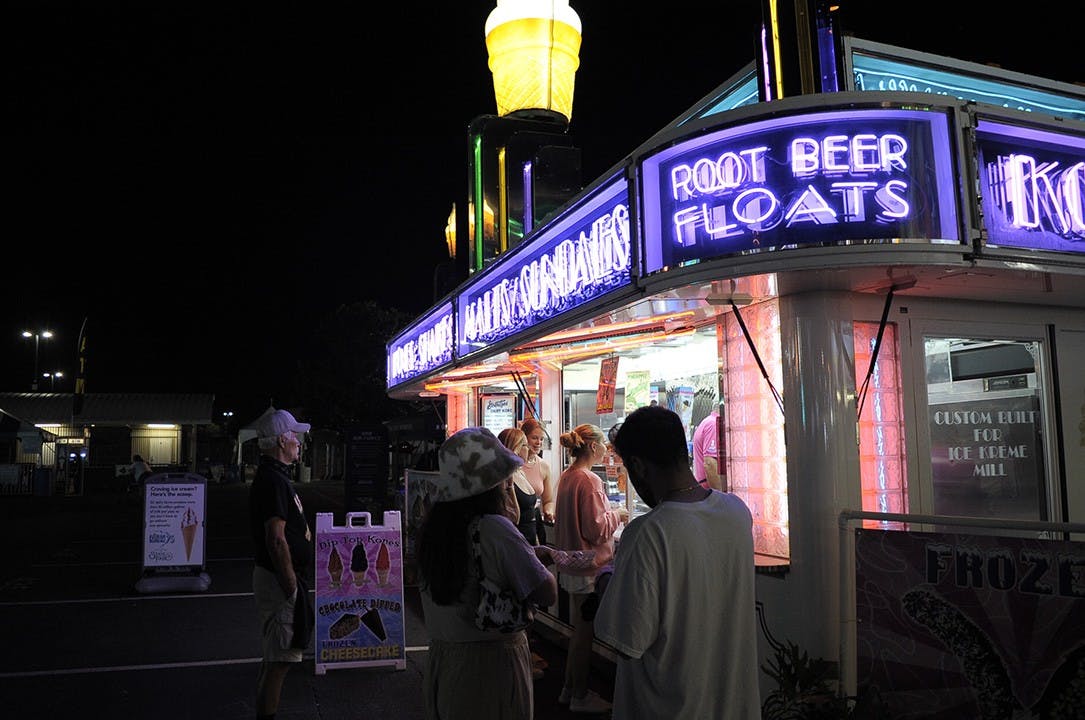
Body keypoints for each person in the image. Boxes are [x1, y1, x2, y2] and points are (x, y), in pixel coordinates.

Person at [594, 405, 760, 720]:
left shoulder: (647, 533)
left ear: (638, 466)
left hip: (668, 707)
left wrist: (605, 579)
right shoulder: (737, 513)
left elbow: (627, 639)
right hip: (735, 706)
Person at [418, 427, 557, 720]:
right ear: (490, 483)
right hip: (492, 667)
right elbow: (546, 591)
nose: (507, 483)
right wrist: (539, 561)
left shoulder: (432, 531)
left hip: (444, 663)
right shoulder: (494, 528)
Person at [553, 423, 628, 714]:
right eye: (603, 446)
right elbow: (596, 529)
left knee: (577, 631)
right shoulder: (590, 481)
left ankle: (569, 688)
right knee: (584, 634)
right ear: (594, 447)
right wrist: (618, 515)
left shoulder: (567, 476)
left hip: (571, 565)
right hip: (589, 568)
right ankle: (580, 695)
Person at [248, 408, 314, 720]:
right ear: (282, 441)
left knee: (276, 657)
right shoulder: (273, 480)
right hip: (279, 581)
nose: (299, 442)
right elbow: (276, 538)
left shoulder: (273, 476)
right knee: (280, 661)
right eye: (295, 437)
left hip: (276, 578)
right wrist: (290, 586)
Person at [498, 426, 551, 680]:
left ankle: (525, 653)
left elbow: (541, 503)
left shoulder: (523, 472)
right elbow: (513, 514)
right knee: (522, 599)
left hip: (529, 538)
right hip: (518, 541)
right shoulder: (505, 477)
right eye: (523, 444)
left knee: (528, 602)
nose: (528, 448)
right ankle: (520, 660)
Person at [520, 418, 555, 535]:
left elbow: (548, 500)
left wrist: (548, 511)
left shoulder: (543, 466)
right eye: (534, 438)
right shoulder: (514, 464)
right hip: (515, 521)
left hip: (535, 522)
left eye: (541, 439)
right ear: (524, 438)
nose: (538, 442)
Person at [691, 407, 723, 490]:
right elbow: (710, 463)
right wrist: (721, 497)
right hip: (709, 492)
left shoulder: (709, 421)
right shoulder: (713, 424)